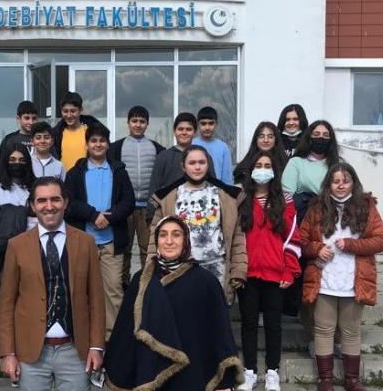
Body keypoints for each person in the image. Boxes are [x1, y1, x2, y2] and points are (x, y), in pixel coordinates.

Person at [105, 216, 243, 391]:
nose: (169, 241)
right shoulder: (140, 280)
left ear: (186, 240)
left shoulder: (206, 282)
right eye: (163, 235)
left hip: (191, 374)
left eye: (176, 235)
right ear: (157, 241)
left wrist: (223, 382)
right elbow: (125, 331)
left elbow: (219, 332)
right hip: (149, 372)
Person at [0, 177, 106, 391]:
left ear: (65, 202)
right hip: (30, 352)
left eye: (55, 199)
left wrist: (96, 346)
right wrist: (8, 353)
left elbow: (96, 299)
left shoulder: (86, 243)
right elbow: (6, 304)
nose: (49, 206)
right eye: (41, 200)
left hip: (75, 350)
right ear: (32, 205)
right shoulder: (16, 245)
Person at [300, 163, 383, 391]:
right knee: (323, 330)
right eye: (336, 181)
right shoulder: (317, 207)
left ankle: (352, 380)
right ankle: (325, 380)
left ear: (353, 183)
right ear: (328, 184)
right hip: (324, 279)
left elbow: (381, 240)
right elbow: (302, 240)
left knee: (351, 331)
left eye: (345, 181)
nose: (341, 185)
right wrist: (317, 249)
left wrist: (351, 244)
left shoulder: (366, 207)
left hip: (354, 280)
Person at [148, 145, 247, 305]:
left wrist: (238, 271)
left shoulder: (225, 196)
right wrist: (151, 268)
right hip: (180, 271)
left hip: (217, 271)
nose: (197, 167)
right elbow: (156, 238)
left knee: (214, 316)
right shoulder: (169, 197)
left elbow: (236, 237)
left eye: (202, 162)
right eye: (192, 163)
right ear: (183, 166)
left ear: (208, 164)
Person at [235, 151, 301, 391]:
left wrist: (290, 270)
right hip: (248, 273)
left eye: (267, 165)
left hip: (276, 274)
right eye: (259, 165)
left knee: (274, 325)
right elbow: (235, 236)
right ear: (251, 169)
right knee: (249, 323)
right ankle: (250, 372)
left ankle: (273, 372)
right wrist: (237, 270)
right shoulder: (241, 198)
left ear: (274, 171)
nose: (262, 169)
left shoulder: (285, 200)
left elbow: (292, 236)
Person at [65, 124, 135, 338]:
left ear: (107, 144)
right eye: (93, 141)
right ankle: (83, 334)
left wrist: (108, 218)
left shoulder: (118, 171)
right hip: (84, 241)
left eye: (102, 141)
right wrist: (93, 215)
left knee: (113, 290)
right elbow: (69, 203)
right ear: (87, 144)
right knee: (82, 289)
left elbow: (128, 202)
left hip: (111, 242)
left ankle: (114, 337)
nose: (98, 144)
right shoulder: (75, 173)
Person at [281, 120, 342, 351]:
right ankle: (312, 338)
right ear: (308, 137)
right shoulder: (296, 162)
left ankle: (337, 338)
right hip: (305, 226)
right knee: (311, 279)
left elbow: (345, 190)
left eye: (326, 135)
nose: (321, 138)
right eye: (316, 134)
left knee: (334, 283)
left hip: (334, 228)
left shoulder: (337, 164)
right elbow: (287, 195)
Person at [108, 105, 165, 285]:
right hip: (125, 207)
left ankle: (146, 285)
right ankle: (124, 285)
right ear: (128, 123)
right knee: (124, 248)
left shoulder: (157, 148)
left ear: (147, 124)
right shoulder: (116, 148)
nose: (138, 125)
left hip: (148, 208)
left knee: (147, 249)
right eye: (134, 121)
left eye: (142, 121)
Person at [0, 143, 37, 302]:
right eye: (12, 159)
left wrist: (8, 215)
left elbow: (38, 221)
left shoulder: (34, 188)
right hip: (1, 253)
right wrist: (23, 215)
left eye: (21, 160)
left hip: (31, 250)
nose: (17, 163)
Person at [148, 111, 198, 199]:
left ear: (195, 132)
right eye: (180, 129)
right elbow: (154, 189)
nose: (184, 132)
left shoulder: (203, 157)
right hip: (169, 205)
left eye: (189, 129)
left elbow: (212, 186)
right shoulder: (163, 157)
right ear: (174, 132)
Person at [52, 91, 101, 170]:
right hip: (64, 176)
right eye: (65, 111)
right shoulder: (57, 134)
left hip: (86, 175)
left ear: (80, 110)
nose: (69, 115)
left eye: (73, 111)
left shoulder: (91, 132)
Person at [192, 106, 233, 185]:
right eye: (203, 124)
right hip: (194, 188)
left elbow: (227, 177)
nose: (207, 127)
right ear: (198, 124)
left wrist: (227, 191)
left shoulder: (223, 147)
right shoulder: (191, 144)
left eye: (211, 123)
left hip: (217, 190)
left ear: (216, 124)